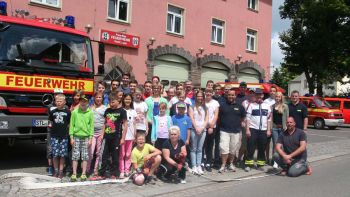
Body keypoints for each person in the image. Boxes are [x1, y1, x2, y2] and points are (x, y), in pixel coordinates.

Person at [99, 94, 127, 179]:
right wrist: (102, 134)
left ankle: (114, 173)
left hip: (116, 137)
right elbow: (105, 123)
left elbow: (125, 125)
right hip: (107, 137)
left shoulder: (122, 111)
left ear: (118, 101)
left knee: (115, 156)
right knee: (104, 156)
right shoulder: (107, 110)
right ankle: (102, 173)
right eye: (110, 102)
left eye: (113, 102)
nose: (111, 104)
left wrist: (123, 138)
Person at [218, 89, 246, 173]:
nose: (231, 96)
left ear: (235, 96)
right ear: (227, 95)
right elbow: (219, 117)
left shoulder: (240, 106)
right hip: (224, 130)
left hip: (236, 131)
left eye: (233, 95)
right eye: (229, 95)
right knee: (224, 148)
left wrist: (241, 123)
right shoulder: (222, 106)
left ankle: (231, 164)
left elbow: (243, 117)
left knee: (233, 149)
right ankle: (223, 165)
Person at [245, 88, 271, 172]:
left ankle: (260, 164)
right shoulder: (251, 105)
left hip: (263, 130)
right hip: (253, 129)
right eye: (257, 94)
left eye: (260, 94)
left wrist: (268, 130)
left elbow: (269, 119)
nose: (259, 96)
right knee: (251, 147)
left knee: (262, 147)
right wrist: (247, 129)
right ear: (255, 96)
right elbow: (248, 118)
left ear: (262, 95)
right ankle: (249, 164)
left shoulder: (267, 106)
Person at [69, 94, 94, 182]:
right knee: (75, 156)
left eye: (85, 101)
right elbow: (72, 125)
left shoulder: (90, 112)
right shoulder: (75, 112)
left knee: (85, 156)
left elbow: (91, 127)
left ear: (88, 102)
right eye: (81, 101)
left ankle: (83, 173)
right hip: (76, 136)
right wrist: (71, 137)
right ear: (79, 101)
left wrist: (91, 138)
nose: (83, 103)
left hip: (86, 137)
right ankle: (74, 173)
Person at [48, 93, 71, 178]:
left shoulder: (68, 112)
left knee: (62, 155)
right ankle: (56, 171)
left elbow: (69, 123)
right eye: (57, 101)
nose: (58, 103)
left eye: (60, 101)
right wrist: (50, 130)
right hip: (54, 136)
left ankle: (61, 171)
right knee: (55, 154)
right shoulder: (52, 112)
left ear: (64, 102)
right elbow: (50, 122)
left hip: (64, 136)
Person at [87, 92, 107, 177]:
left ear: (102, 99)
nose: (98, 99)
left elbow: (106, 122)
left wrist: (102, 133)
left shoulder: (105, 108)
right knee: (90, 152)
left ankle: (96, 170)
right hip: (91, 133)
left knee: (99, 152)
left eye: (100, 97)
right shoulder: (90, 108)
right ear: (94, 98)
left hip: (100, 133)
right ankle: (87, 169)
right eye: (97, 97)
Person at [189, 91, 209, 174]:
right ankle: (194, 166)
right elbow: (191, 118)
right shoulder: (192, 106)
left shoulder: (205, 107)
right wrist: (196, 128)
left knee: (200, 149)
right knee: (193, 149)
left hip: (203, 130)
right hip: (194, 129)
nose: (200, 98)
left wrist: (202, 128)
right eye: (198, 96)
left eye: (201, 96)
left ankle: (199, 165)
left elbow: (206, 119)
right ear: (196, 97)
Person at [119, 94, 137, 178]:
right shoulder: (120, 110)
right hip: (122, 136)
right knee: (122, 154)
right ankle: (121, 170)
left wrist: (135, 135)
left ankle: (127, 169)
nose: (127, 101)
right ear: (123, 100)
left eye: (129, 99)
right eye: (126, 99)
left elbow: (134, 124)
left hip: (130, 136)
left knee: (128, 154)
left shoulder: (133, 111)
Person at [271, 92, 289, 168]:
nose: (277, 98)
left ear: (281, 98)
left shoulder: (285, 106)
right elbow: (271, 117)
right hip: (274, 128)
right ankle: (276, 161)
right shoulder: (272, 106)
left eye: (279, 97)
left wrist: (287, 127)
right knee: (276, 144)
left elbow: (287, 117)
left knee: (282, 145)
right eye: (276, 97)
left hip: (282, 128)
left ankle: (282, 160)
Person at [204, 88, 219, 172]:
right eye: (207, 92)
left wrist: (211, 127)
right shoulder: (202, 102)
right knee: (202, 145)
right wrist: (204, 126)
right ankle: (202, 162)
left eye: (210, 92)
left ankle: (208, 162)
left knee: (210, 146)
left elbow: (216, 115)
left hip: (212, 127)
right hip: (203, 127)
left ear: (212, 93)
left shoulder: (215, 103)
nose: (208, 93)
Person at [264, 86, 277, 164]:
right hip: (267, 124)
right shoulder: (266, 101)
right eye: (271, 91)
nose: (272, 92)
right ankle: (267, 158)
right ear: (269, 92)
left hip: (275, 125)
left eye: (274, 91)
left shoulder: (278, 100)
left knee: (276, 143)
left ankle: (274, 159)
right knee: (267, 143)